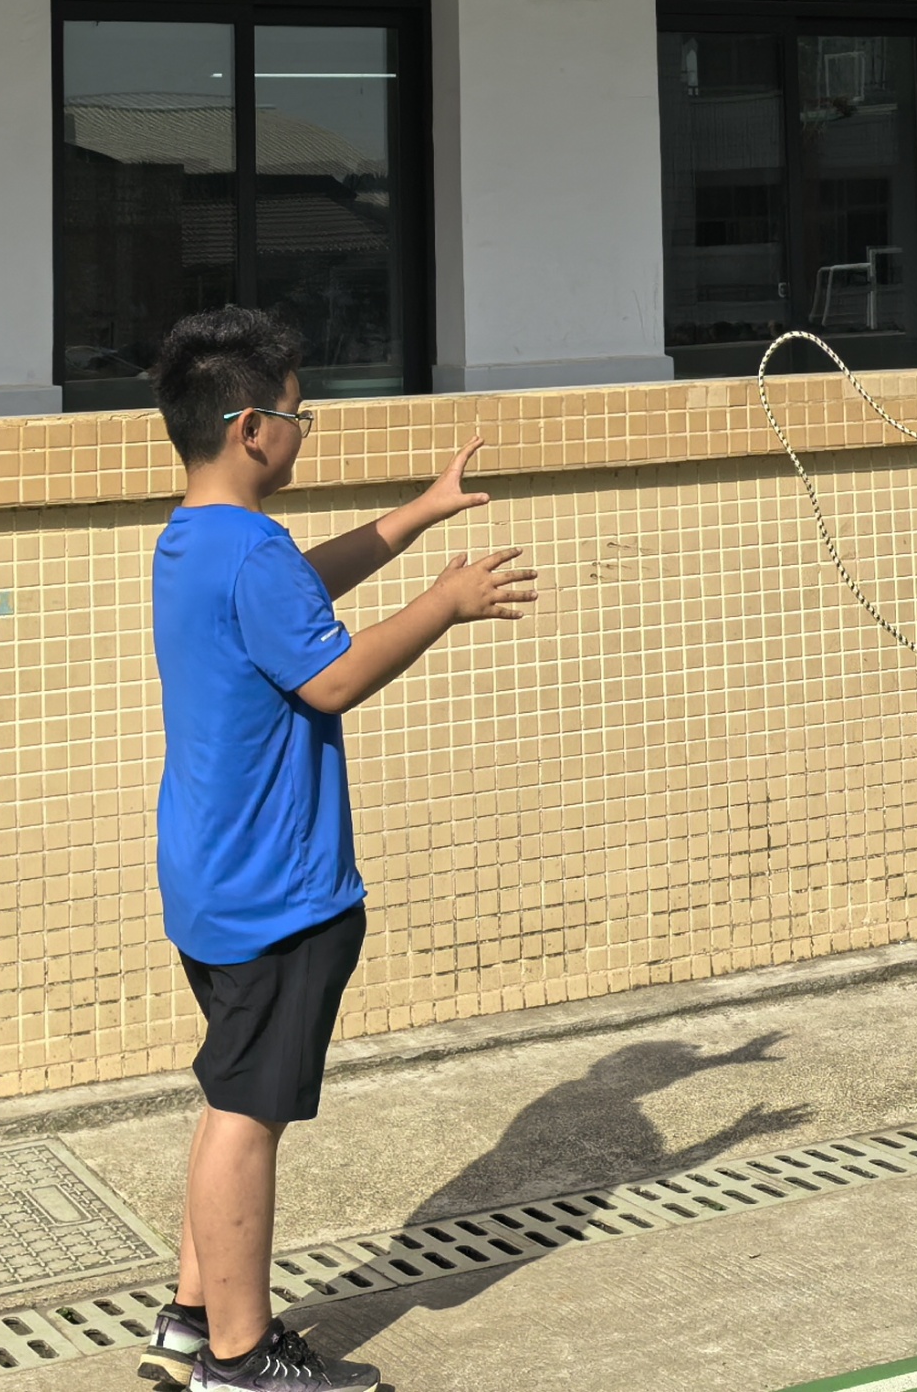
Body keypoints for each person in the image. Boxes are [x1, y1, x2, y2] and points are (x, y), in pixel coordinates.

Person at [136, 305, 534, 1391]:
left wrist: (416, 515)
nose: (302, 429)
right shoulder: (252, 552)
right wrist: (446, 601)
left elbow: (292, 592)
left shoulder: (196, 538)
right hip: (277, 888)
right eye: (298, 414)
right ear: (252, 428)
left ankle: (189, 1320)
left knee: (228, 1098)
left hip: (212, 873)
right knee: (245, 1118)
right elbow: (332, 676)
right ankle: (240, 1359)